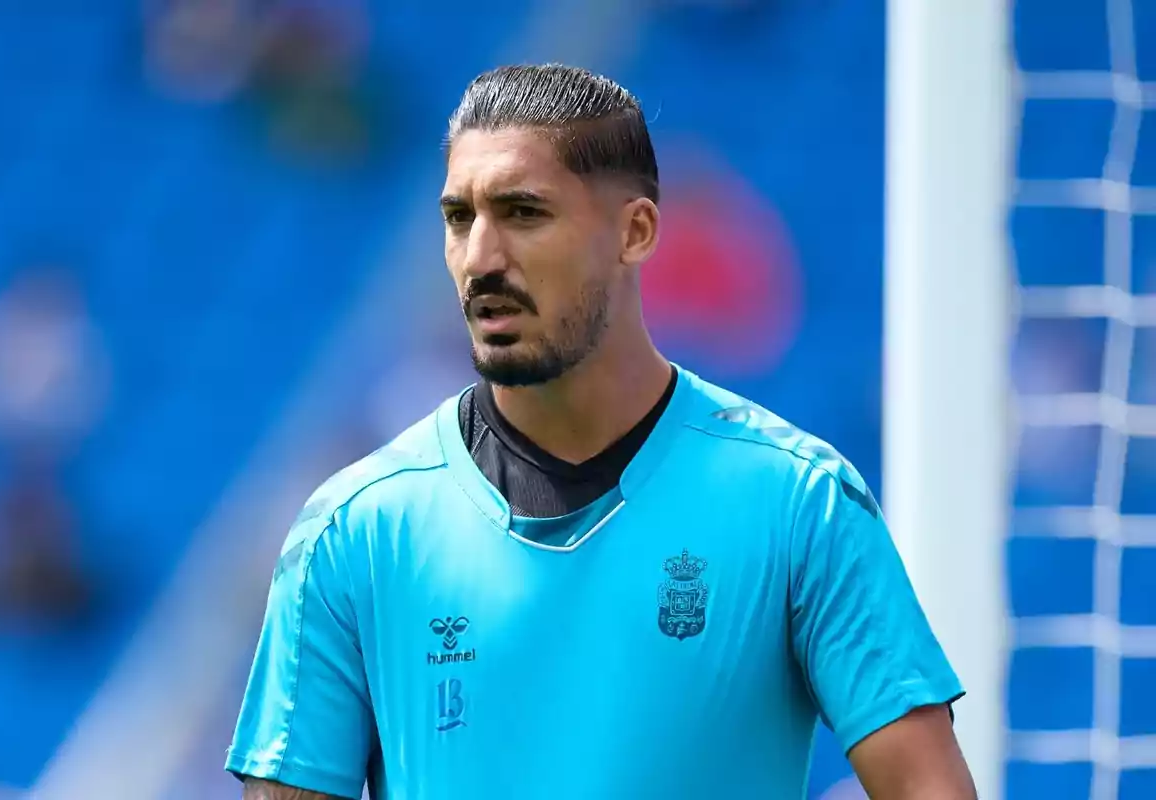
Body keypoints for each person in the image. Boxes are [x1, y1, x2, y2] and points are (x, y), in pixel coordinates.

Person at [225, 64, 977, 799]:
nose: (481, 257)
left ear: (636, 232)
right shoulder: (354, 531)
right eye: (460, 218)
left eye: (524, 213)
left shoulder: (798, 504)